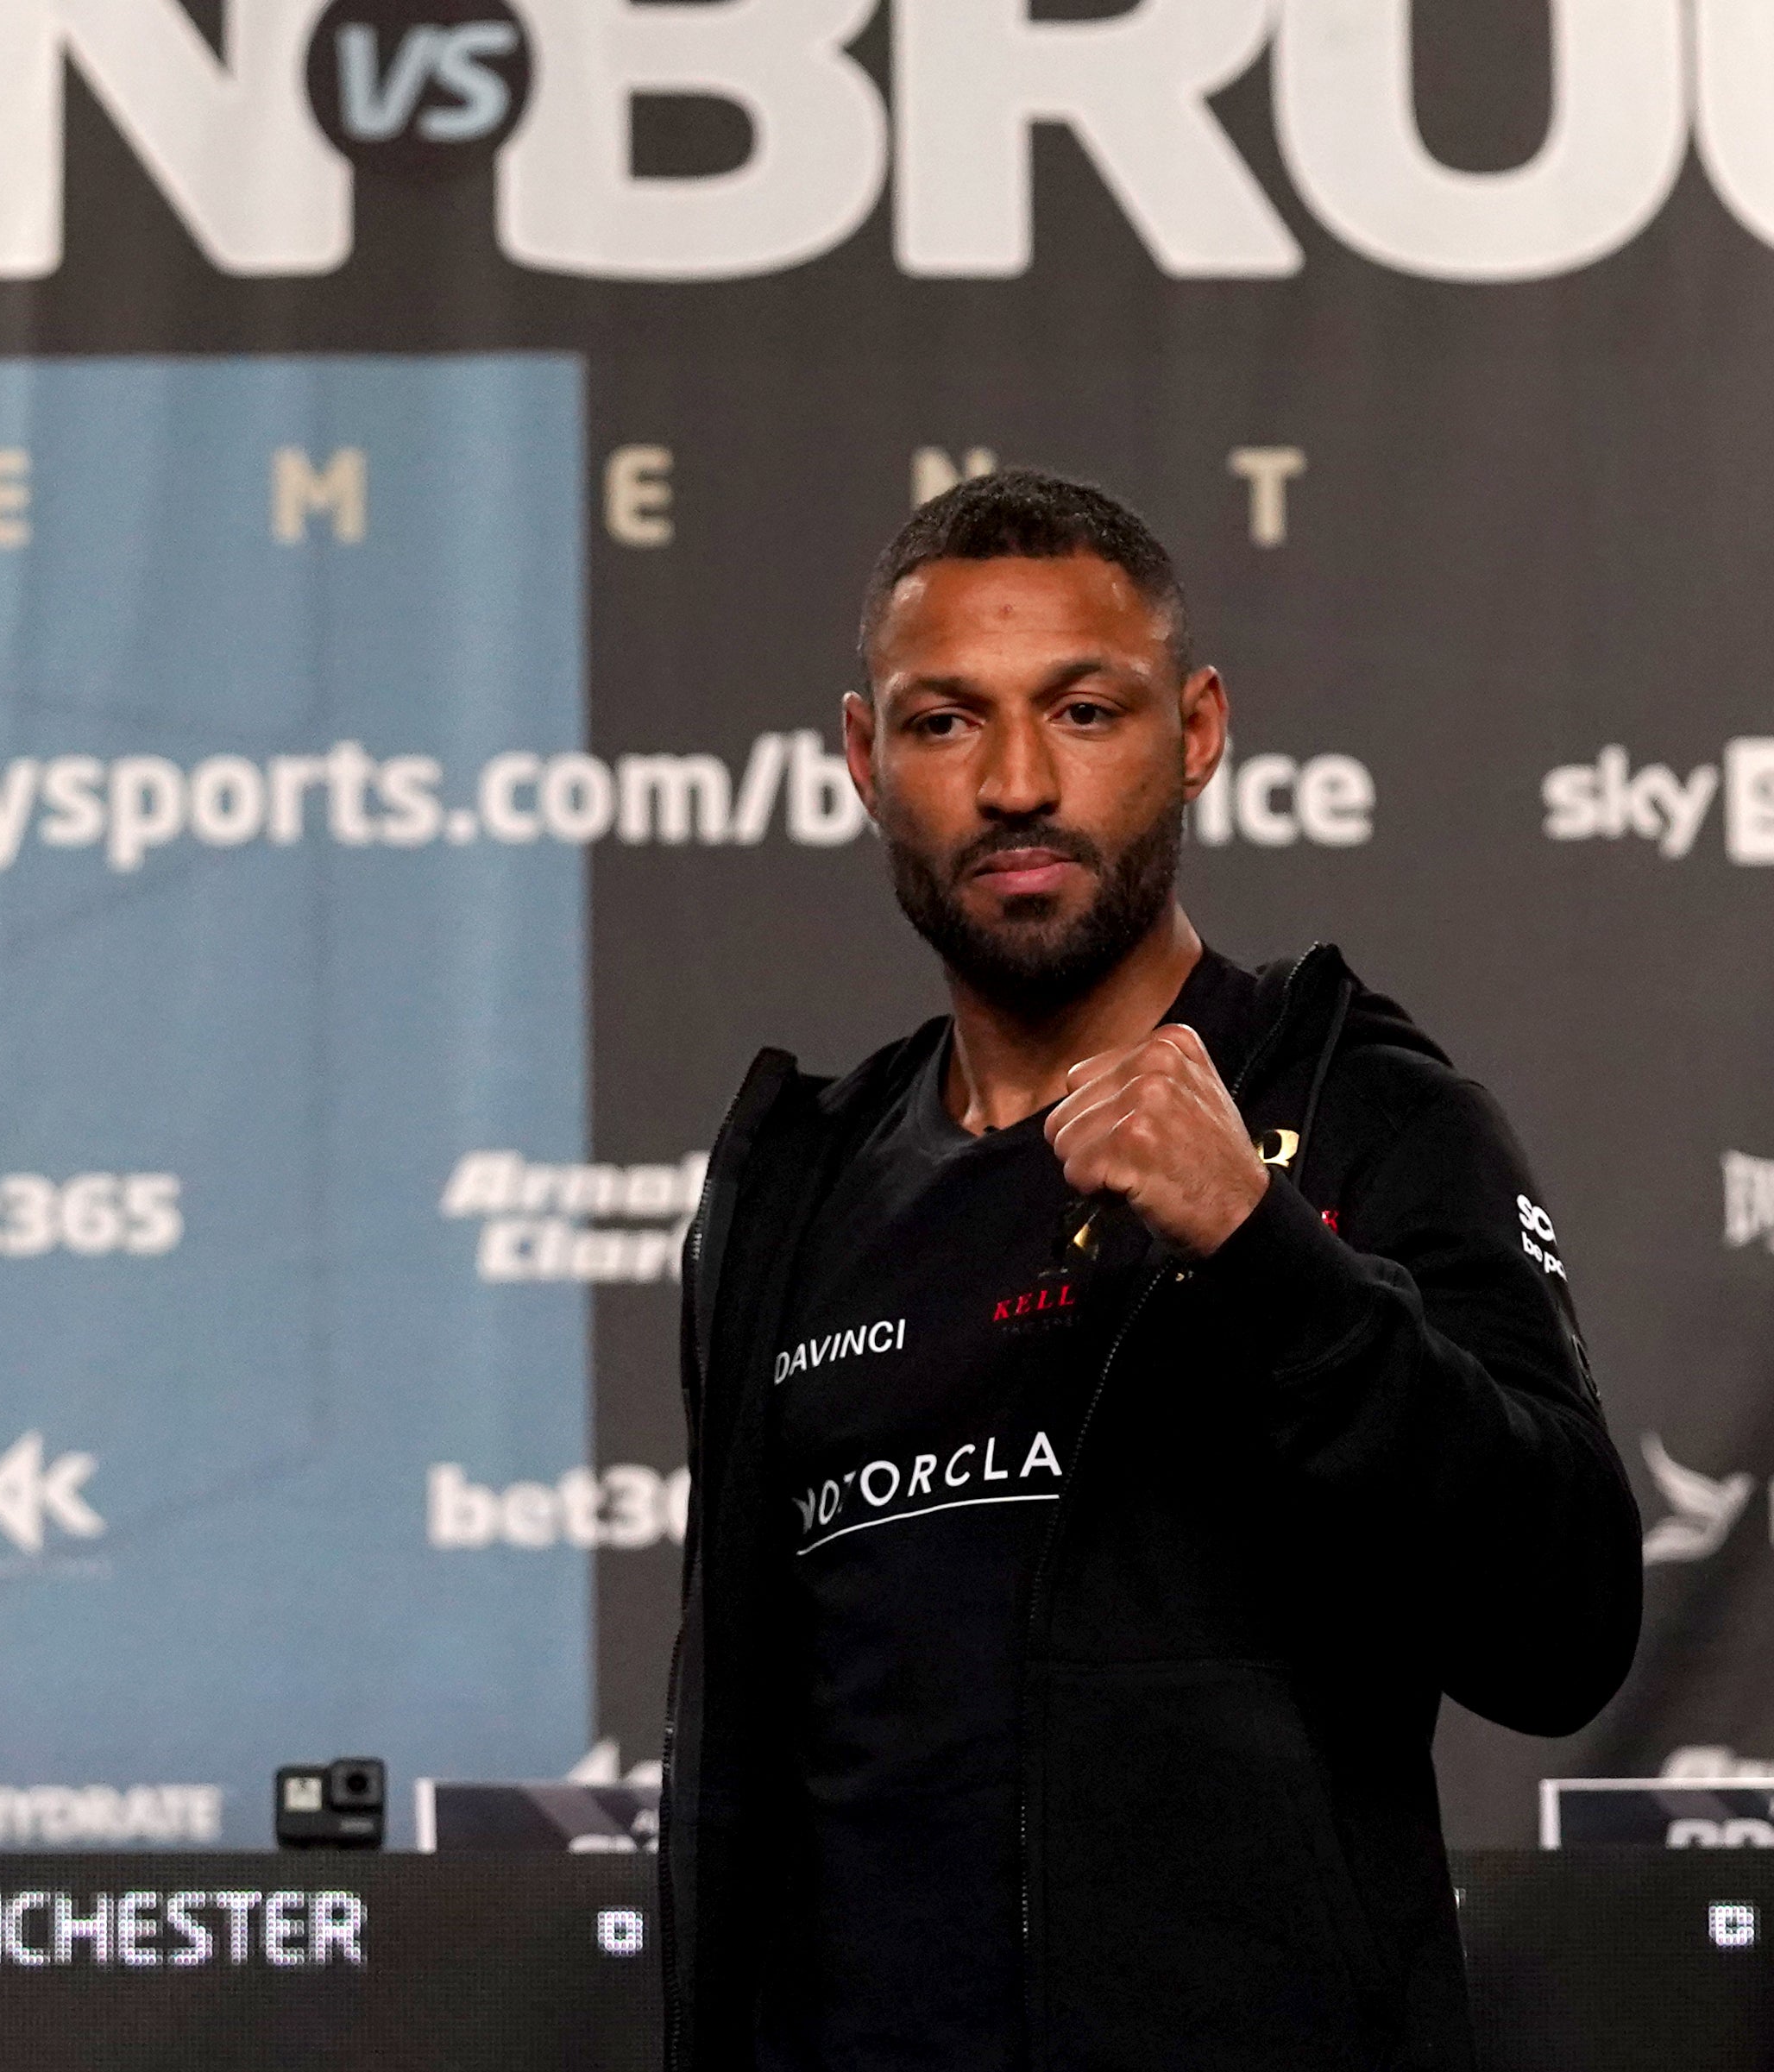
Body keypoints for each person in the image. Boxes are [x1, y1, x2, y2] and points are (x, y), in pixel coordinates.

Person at [657, 469, 1639, 2069]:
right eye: (946, 721)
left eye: (1085, 710)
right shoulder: (791, 1190)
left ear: (1195, 732)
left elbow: (1567, 1623)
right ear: (862, 759)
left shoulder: (1363, 1111)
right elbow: (759, 1778)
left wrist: (1264, 1248)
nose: (1017, 780)